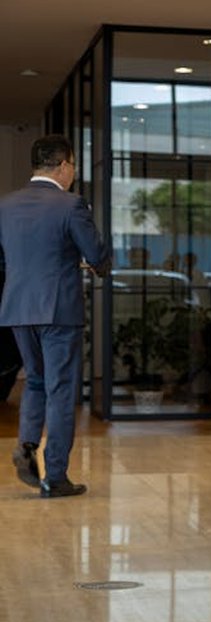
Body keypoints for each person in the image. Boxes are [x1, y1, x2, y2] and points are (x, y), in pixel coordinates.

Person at [0, 134, 110, 498]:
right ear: (63, 165)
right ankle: (57, 476)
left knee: (35, 380)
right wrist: (98, 265)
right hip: (58, 310)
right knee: (61, 390)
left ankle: (28, 445)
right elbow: (95, 252)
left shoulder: (7, 205)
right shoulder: (70, 205)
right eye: (74, 165)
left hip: (17, 308)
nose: (74, 173)